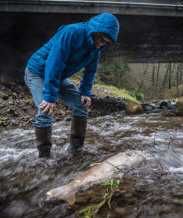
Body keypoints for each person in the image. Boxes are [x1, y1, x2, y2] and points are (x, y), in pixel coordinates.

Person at [24, 13, 120, 158]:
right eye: (103, 38)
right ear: (95, 30)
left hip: (59, 76)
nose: (103, 43)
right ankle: (44, 159)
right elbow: (55, 62)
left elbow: (90, 71)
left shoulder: (96, 49)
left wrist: (85, 92)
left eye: (107, 41)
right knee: (45, 111)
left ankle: (76, 151)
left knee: (81, 106)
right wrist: (50, 96)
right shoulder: (71, 33)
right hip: (37, 72)